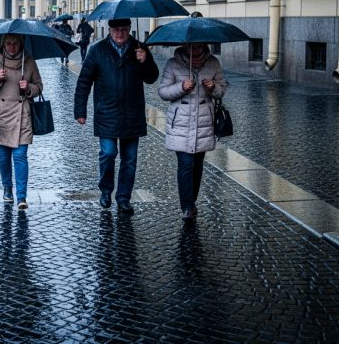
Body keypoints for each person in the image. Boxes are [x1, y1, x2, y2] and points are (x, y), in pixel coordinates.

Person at [74, 18, 159, 215]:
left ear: (129, 29)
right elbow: (84, 81)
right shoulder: (97, 50)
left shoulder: (140, 48)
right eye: (115, 29)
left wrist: (145, 61)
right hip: (107, 112)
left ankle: (123, 198)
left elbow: (152, 77)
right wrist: (80, 110)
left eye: (123, 29)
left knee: (129, 159)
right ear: (109, 30)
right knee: (108, 153)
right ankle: (105, 190)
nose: (119, 33)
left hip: (132, 112)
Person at [158, 42, 227, 222]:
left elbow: (221, 91)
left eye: (198, 47)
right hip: (181, 121)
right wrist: (181, 87)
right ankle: (187, 207)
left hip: (204, 122)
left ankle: (192, 201)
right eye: (191, 47)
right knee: (186, 164)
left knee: (197, 166)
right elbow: (163, 92)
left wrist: (213, 87)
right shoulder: (173, 64)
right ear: (184, 46)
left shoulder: (213, 63)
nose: (195, 50)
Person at [0, 33, 43, 210]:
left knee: (21, 156)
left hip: (22, 115)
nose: (12, 46)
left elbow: (39, 86)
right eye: (8, 43)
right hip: (2, 116)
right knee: (4, 157)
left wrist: (29, 88)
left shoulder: (29, 62)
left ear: (21, 44)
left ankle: (21, 196)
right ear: (3, 44)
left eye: (15, 43)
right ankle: (7, 188)